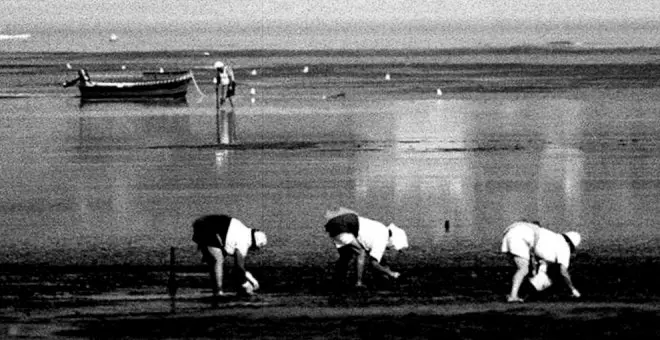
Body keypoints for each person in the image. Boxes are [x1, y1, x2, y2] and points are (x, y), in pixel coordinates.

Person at [324, 207, 409, 289]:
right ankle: (358, 283)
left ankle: (337, 280)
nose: (389, 249)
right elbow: (373, 264)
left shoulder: (381, 228)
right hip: (344, 227)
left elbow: (368, 247)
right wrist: (391, 273)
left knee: (346, 256)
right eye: (392, 247)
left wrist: (384, 268)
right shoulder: (383, 239)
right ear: (392, 241)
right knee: (360, 252)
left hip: (336, 223)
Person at [500, 220, 582, 302]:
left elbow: (540, 259)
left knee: (522, 268)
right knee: (523, 269)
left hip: (512, 232)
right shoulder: (565, 247)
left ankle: (517, 292)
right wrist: (573, 289)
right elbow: (563, 271)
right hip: (520, 236)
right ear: (571, 245)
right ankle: (513, 296)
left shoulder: (553, 237)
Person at [192, 214, 267, 300]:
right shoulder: (245, 242)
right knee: (218, 260)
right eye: (254, 248)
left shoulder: (244, 231)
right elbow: (239, 267)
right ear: (254, 244)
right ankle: (218, 293)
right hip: (206, 227)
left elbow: (238, 269)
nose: (253, 251)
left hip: (204, 224)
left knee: (217, 259)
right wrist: (247, 284)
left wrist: (248, 278)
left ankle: (216, 288)